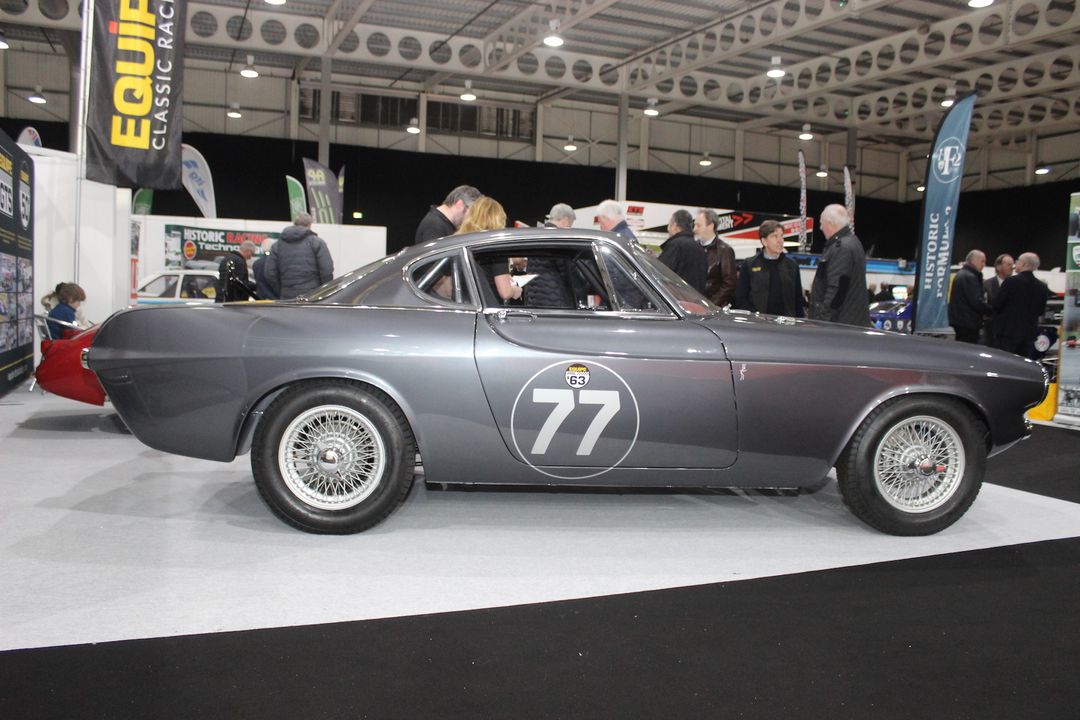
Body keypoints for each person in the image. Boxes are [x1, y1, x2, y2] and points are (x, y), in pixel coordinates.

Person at [810, 204, 870, 326]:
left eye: (821, 223)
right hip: (850, 320)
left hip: (839, 323)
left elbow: (837, 289)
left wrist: (821, 320)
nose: (820, 228)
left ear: (830, 223)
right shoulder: (853, 242)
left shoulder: (841, 248)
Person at [735, 219, 805, 317]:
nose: (780, 240)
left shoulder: (792, 265)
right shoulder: (749, 265)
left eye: (781, 236)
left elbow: (798, 300)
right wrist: (755, 316)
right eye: (775, 236)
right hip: (758, 322)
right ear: (764, 241)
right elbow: (741, 298)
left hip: (786, 322)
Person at [458, 197, 520, 303]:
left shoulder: (461, 241)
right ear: (498, 219)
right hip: (487, 306)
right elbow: (505, 292)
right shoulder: (496, 246)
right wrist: (515, 291)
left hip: (464, 304)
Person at [265, 212, 335, 300]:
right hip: (312, 296)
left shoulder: (277, 245)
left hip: (287, 296)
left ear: (295, 223)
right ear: (309, 225)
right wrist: (322, 292)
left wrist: (282, 290)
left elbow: (269, 273)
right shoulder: (317, 242)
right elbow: (327, 270)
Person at [992, 252, 1049, 358]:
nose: (1015, 265)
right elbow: (1041, 311)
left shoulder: (1010, 282)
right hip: (1028, 335)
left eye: (1017, 261)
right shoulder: (1042, 287)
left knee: (1006, 362)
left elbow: (997, 305)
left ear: (1023, 264)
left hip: (1008, 334)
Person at [693, 208, 736, 307]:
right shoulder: (692, 248)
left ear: (711, 226)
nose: (694, 229)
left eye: (698, 225)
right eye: (694, 225)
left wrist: (711, 305)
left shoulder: (725, 250)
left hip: (713, 307)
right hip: (691, 305)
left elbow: (729, 284)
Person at [657, 209, 707, 293]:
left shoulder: (675, 245)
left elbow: (660, 272)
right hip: (695, 297)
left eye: (669, 224)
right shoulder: (700, 248)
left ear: (674, 225)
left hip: (676, 296)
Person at [947, 249, 992, 343]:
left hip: (961, 321)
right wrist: (991, 311)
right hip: (968, 322)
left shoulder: (962, 274)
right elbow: (976, 301)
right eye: (982, 261)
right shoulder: (970, 277)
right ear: (974, 261)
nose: (984, 264)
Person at [414, 185, 482, 244]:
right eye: (472, 212)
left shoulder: (440, 223)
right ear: (460, 204)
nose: (472, 218)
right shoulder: (433, 227)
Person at [982, 253, 1014, 343]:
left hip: (1010, 330)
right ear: (998, 267)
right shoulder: (987, 284)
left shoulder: (1016, 285)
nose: (1012, 267)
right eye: (1009, 265)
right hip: (991, 330)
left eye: (1012, 265)